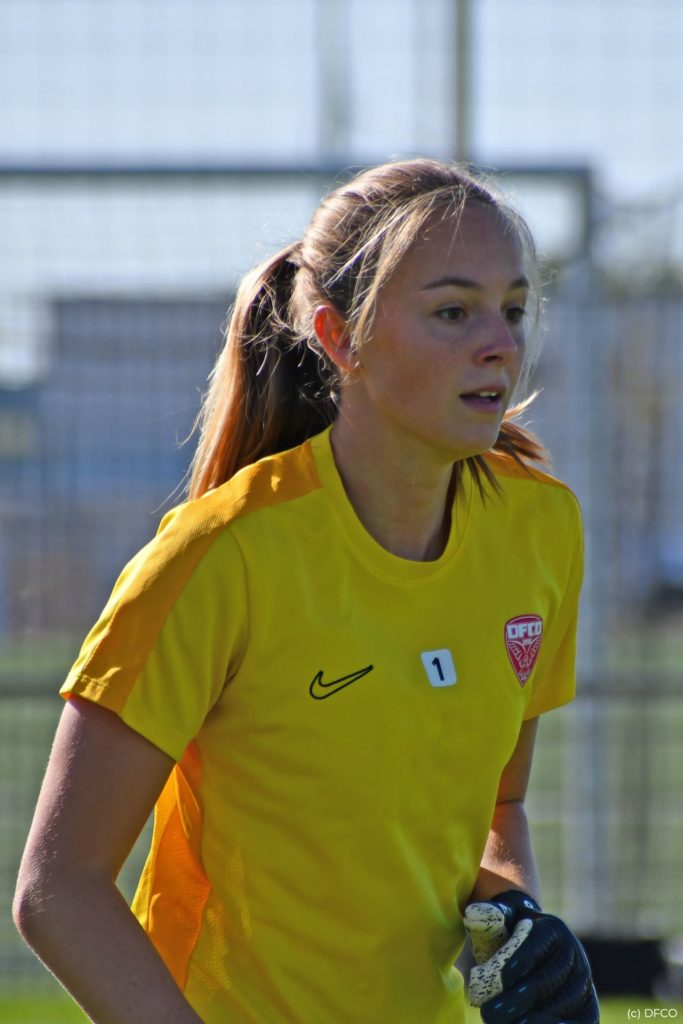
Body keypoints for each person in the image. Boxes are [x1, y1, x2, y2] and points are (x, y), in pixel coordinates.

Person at [13, 158, 599, 1024]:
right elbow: (58, 888)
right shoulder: (220, 556)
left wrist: (514, 917)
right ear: (339, 337)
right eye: (452, 311)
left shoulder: (541, 529)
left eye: (511, 310)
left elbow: (498, 806)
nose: (500, 345)